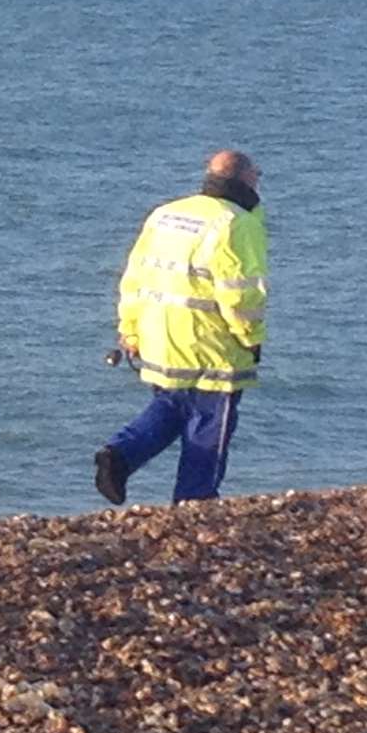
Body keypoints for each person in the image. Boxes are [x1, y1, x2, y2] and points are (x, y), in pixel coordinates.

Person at [95, 149, 267, 505]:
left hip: (159, 335)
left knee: (172, 405)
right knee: (210, 423)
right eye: (257, 175)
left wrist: (130, 328)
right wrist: (250, 339)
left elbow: (135, 276)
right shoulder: (236, 222)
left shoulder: (166, 214)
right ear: (245, 179)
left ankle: (121, 455)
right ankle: (195, 502)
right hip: (211, 342)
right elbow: (239, 294)